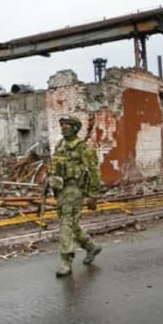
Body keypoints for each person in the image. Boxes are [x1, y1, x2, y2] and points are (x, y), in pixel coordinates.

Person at [47, 115, 103, 277]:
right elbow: (55, 165)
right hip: (61, 190)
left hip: (74, 189)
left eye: (67, 125)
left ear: (75, 128)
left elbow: (94, 171)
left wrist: (93, 194)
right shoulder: (59, 144)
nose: (63, 127)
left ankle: (66, 261)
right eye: (62, 124)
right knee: (72, 224)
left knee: (65, 223)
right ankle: (91, 247)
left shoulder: (82, 147)